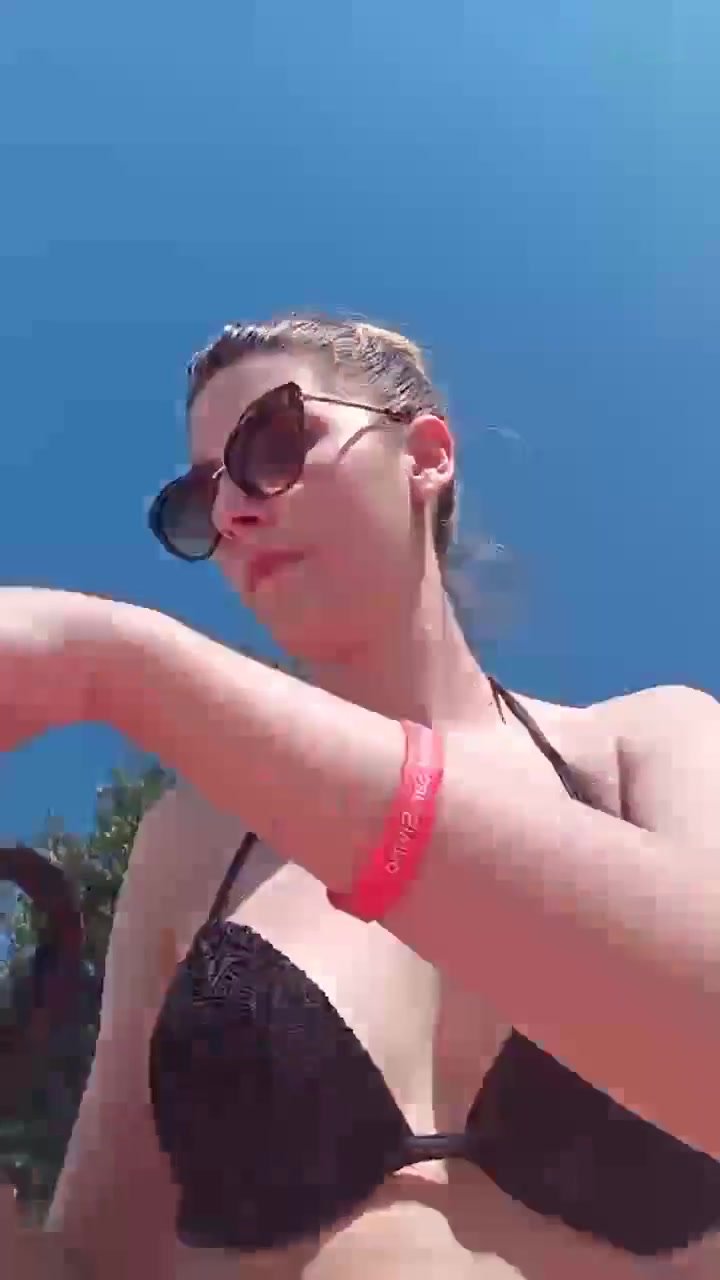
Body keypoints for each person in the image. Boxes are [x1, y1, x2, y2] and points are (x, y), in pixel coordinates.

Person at [0, 314, 719, 1278]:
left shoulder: (647, 742)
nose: (232, 513)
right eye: (196, 502)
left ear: (426, 457)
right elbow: (101, 1258)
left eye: (273, 444)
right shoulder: (190, 839)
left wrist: (121, 669)